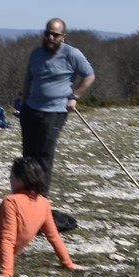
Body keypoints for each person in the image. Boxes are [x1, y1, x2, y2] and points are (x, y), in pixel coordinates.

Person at [20, 18, 95, 195]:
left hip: (55, 110)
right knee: (28, 155)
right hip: (31, 108)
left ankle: (41, 199)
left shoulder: (72, 54)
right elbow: (28, 78)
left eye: (55, 34)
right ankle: (26, 194)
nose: (50, 37)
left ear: (63, 36)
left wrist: (74, 96)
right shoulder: (36, 53)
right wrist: (24, 102)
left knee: (44, 154)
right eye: (47, 33)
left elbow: (89, 76)